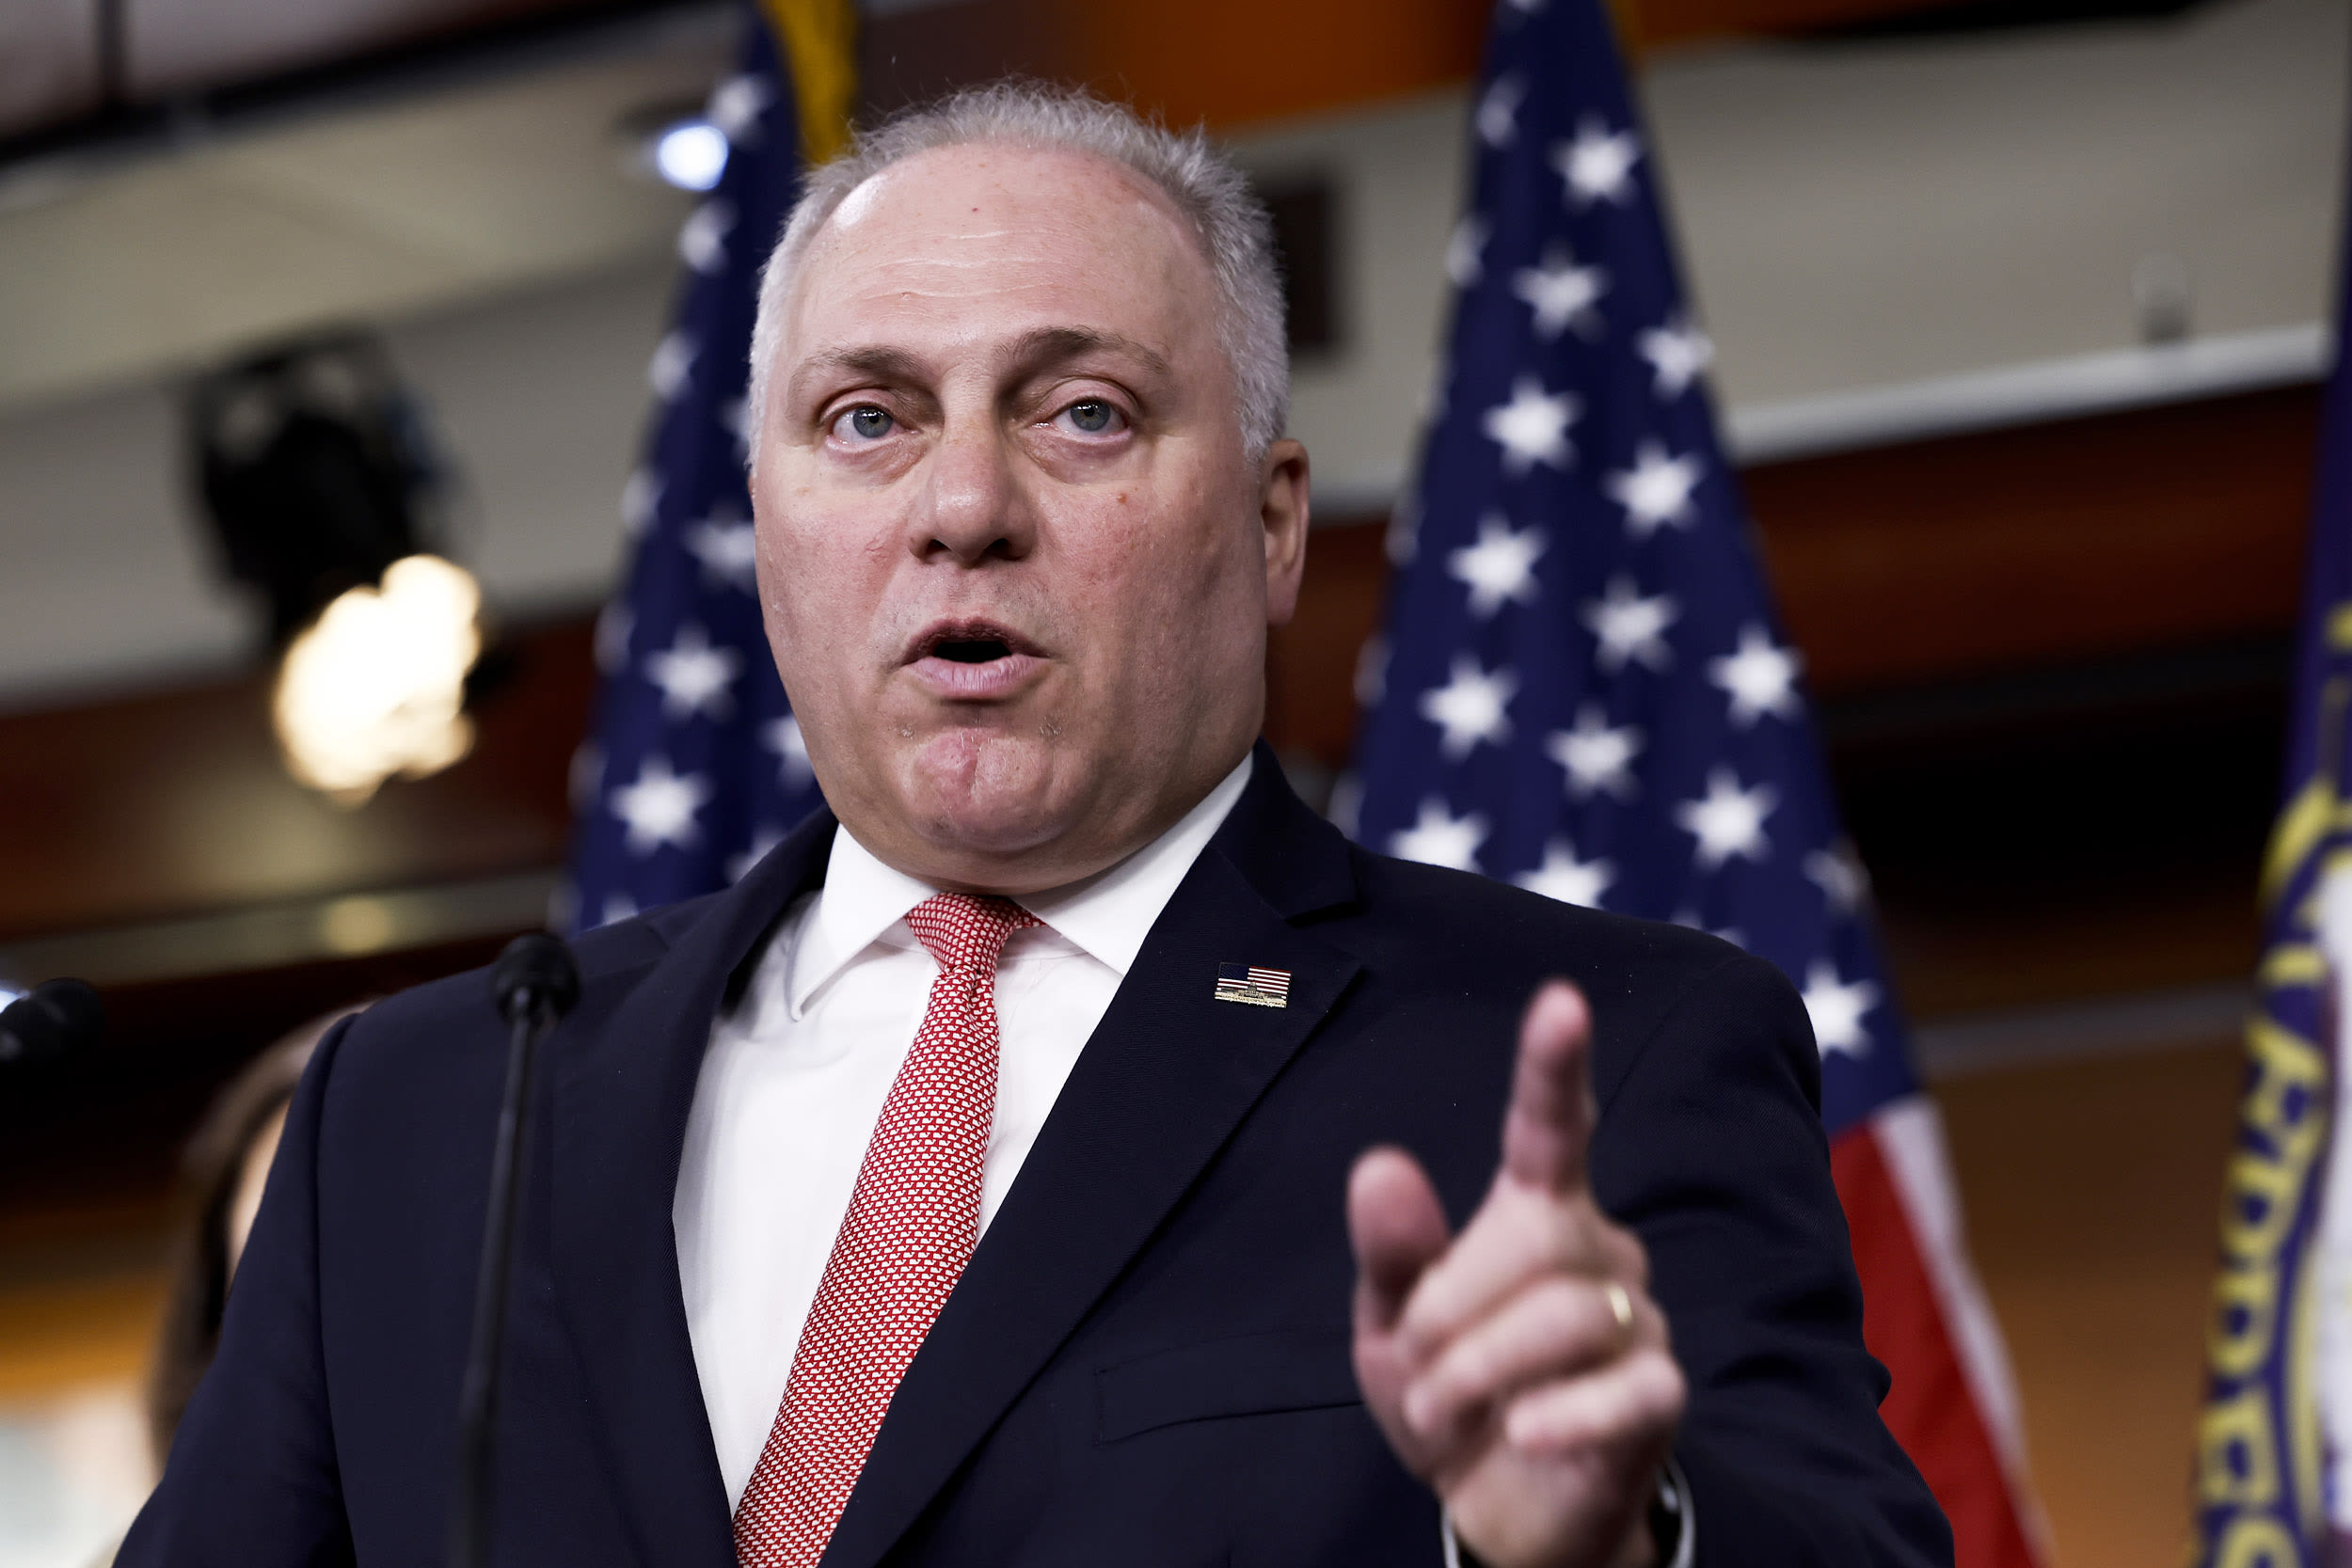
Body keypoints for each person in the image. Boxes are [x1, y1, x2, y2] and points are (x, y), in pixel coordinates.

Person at [119, 86, 1949, 1567]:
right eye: (866, 419)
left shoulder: (1597, 1051)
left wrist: (1611, 1549)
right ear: (766, 530)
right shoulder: (429, 1110)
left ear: (1269, 520)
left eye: (1081, 413)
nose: (964, 506)